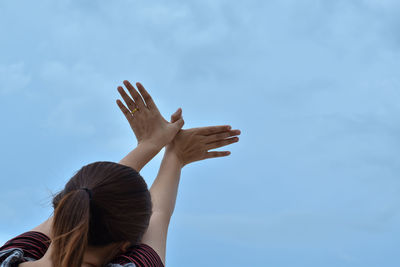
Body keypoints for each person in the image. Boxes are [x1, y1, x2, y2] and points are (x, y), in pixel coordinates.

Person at [0, 80, 241, 267]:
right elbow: (157, 213)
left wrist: (148, 144)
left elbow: (84, 201)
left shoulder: (8, 257)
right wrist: (174, 156)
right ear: (125, 246)